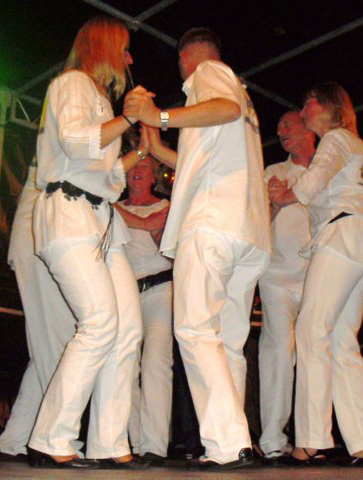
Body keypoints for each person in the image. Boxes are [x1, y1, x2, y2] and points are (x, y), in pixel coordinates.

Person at [123, 27, 271, 471]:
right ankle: (228, 441)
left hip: (212, 223)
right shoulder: (239, 98)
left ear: (186, 59)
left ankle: (229, 441)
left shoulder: (209, 74)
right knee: (227, 342)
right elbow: (197, 161)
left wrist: (160, 115)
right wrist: (155, 143)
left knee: (194, 329)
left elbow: (223, 109)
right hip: (245, 230)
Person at [25, 16, 150, 469]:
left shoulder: (98, 98)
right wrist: (127, 118)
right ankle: (50, 437)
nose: (130, 58)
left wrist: (141, 148)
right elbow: (77, 143)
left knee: (128, 328)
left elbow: (108, 176)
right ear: (105, 47)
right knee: (99, 322)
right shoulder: (73, 83)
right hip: (69, 212)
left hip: (100, 219)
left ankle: (109, 443)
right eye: (125, 48)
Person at [269, 82, 363, 467]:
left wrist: (284, 196)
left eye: (307, 105)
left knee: (311, 331)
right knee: (341, 341)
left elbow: (314, 179)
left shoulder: (335, 139)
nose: (303, 113)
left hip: (341, 237)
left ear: (328, 106)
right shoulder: (358, 148)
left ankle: (310, 440)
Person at [0, 159, 78, 460]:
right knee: (57, 345)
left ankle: (17, 437)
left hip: (40, 240)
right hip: (40, 242)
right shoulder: (66, 140)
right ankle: (53, 435)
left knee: (49, 345)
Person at [257, 111, 314, 466]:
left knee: (314, 353)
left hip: (319, 275)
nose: (280, 130)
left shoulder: (328, 168)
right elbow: (255, 224)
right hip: (276, 275)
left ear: (310, 127)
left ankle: (312, 438)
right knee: (278, 351)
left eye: (288, 124)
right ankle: (273, 441)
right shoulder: (272, 173)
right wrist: (274, 204)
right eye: (278, 127)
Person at [114, 153, 172, 467]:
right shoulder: (113, 206)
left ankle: (154, 446)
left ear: (154, 176)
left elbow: (175, 250)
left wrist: (158, 234)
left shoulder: (165, 206)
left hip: (160, 287)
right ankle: (135, 441)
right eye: (134, 166)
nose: (137, 170)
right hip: (124, 290)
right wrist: (145, 224)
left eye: (145, 167)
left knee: (155, 361)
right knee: (125, 363)